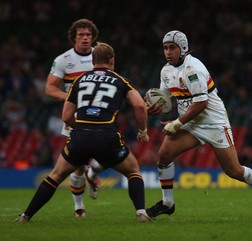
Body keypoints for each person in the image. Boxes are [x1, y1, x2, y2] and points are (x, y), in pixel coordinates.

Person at [145, 30, 252, 219]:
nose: (168, 52)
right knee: (164, 154)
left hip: (214, 123)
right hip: (191, 123)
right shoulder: (166, 71)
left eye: (172, 48)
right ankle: (167, 203)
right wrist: (156, 107)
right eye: (165, 48)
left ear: (183, 49)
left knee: (234, 171)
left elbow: (201, 103)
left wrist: (177, 122)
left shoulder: (193, 68)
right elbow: (166, 98)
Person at [15, 42, 151, 223]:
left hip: (80, 137)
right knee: (133, 171)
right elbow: (140, 105)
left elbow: (66, 116)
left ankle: (26, 216)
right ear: (112, 60)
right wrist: (142, 130)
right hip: (107, 136)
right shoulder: (120, 80)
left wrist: (81, 127)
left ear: (93, 60)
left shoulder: (79, 80)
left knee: (55, 176)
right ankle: (141, 213)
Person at [45, 18, 103, 217]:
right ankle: (79, 207)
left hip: (101, 114)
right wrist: (70, 97)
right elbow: (50, 88)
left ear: (93, 37)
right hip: (75, 116)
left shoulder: (100, 54)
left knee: (105, 153)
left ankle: (93, 171)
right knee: (77, 165)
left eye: (88, 35)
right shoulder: (63, 60)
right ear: (74, 38)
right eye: (81, 35)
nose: (85, 39)